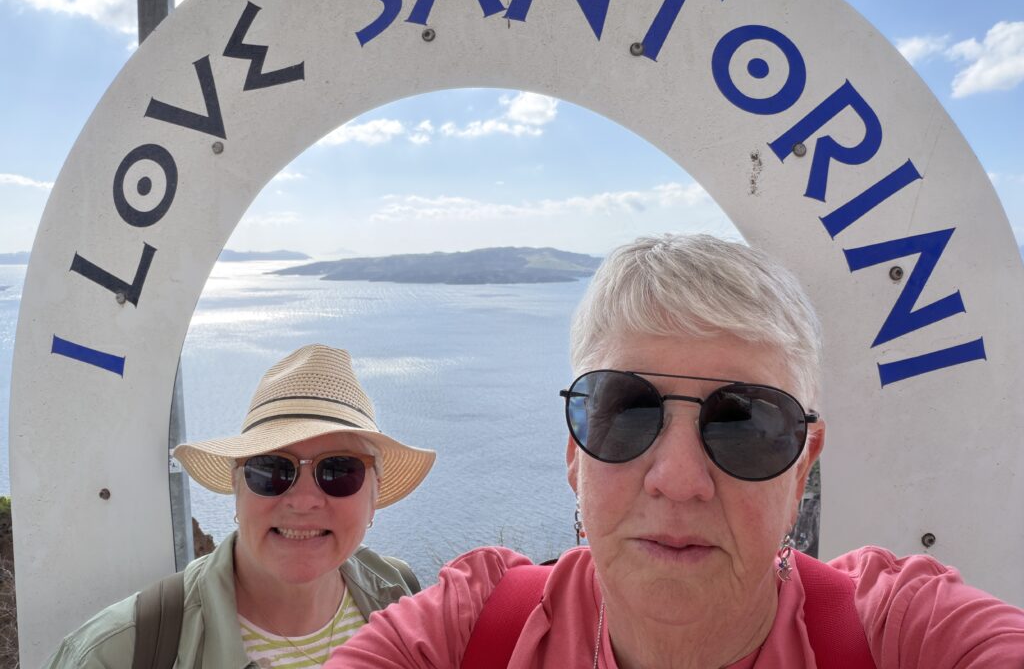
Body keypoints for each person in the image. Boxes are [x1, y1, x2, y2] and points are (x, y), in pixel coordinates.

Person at [326, 234, 1024, 668]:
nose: (680, 479)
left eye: (744, 423)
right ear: (574, 451)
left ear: (802, 468)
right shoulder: (467, 632)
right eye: (627, 412)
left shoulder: (901, 635)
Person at [47, 343, 435, 668]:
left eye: (339, 471)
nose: (303, 501)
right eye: (271, 469)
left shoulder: (402, 598)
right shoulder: (115, 654)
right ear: (237, 487)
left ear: (374, 495)